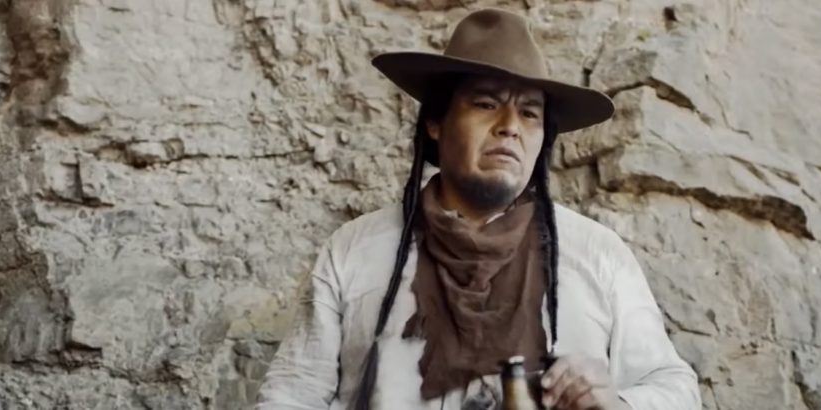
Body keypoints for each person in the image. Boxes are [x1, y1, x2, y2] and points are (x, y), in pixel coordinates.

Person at [257, 8, 701, 410]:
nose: (510, 127)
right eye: (486, 104)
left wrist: (617, 402)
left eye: (530, 114)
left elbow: (675, 390)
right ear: (436, 123)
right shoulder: (355, 250)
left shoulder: (597, 254)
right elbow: (290, 397)